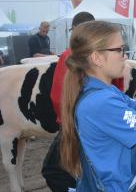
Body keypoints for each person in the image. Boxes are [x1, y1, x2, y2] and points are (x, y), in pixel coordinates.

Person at [60, 20, 136, 191]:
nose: (125, 56)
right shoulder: (101, 102)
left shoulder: (103, 91)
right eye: (119, 50)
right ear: (96, 58)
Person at [42, 11, 99, 192]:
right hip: (100, 123)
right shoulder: (103, 54)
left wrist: (64, 123)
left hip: (74, 125)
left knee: (53, 171)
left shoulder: (69, 56)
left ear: (75, 30)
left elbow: (57, 96)